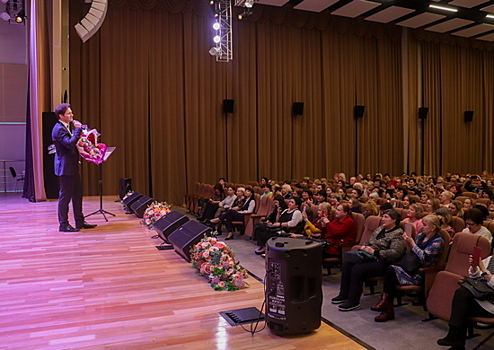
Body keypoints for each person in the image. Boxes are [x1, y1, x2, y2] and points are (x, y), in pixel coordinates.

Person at [372, 215, 444, 322]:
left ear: (433, 227)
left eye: (425, 225)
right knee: (391, 270)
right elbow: (410, 254)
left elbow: (424, 257)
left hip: (421, 273)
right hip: (411, 267)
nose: (422, 227)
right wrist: (407, 245)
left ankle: (386, 305)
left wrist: (412, 244)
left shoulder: (438, 241)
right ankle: (387, 306)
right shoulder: (420, 236)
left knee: (391, 271)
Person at [332, 209, 406, 311]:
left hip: (384, 261)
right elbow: (369, 241)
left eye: (386, 217)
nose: (383, 219)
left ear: (394, 220)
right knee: (347, 264)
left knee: (358, 269)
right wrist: (364, 247)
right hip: (369, 257)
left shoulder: (398, 233)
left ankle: (353, 301)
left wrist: (375, 252)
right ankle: (344, 294)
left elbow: (396, 253)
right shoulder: (380, 229)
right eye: (383, 217)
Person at [51, 103, 96, 232]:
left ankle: (79, 221)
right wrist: (77, 130)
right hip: (66, 168)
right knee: (65, 197)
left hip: (72, 166)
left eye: (71, 113)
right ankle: (63, 224)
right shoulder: (59, 129)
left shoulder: (64, 127)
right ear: (61, 116)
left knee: (77, 194)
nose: (72, 115)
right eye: (69, 113)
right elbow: (69, 144)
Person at [437, 252, 494, 349]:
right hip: (482, 298)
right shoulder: (491, 259)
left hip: (492, 305)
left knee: (461, 307)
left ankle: (456, 340)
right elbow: (475, 277)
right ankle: (455, 337)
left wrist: (484, 269)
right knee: (461, 295)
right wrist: (474, 267)